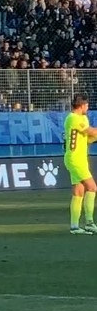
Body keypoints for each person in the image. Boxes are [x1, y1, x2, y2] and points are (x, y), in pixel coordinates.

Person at [64, 95, 97, 234]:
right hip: (75, 159)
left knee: (78, 191)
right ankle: (89, 222)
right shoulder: (73, 118)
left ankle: (74, 226)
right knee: (92, 187)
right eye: (87, 105)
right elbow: (90, 131)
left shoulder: (83, 118)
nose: (88, 108)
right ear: (81, 105)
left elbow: (88, 138)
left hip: (80, 159)